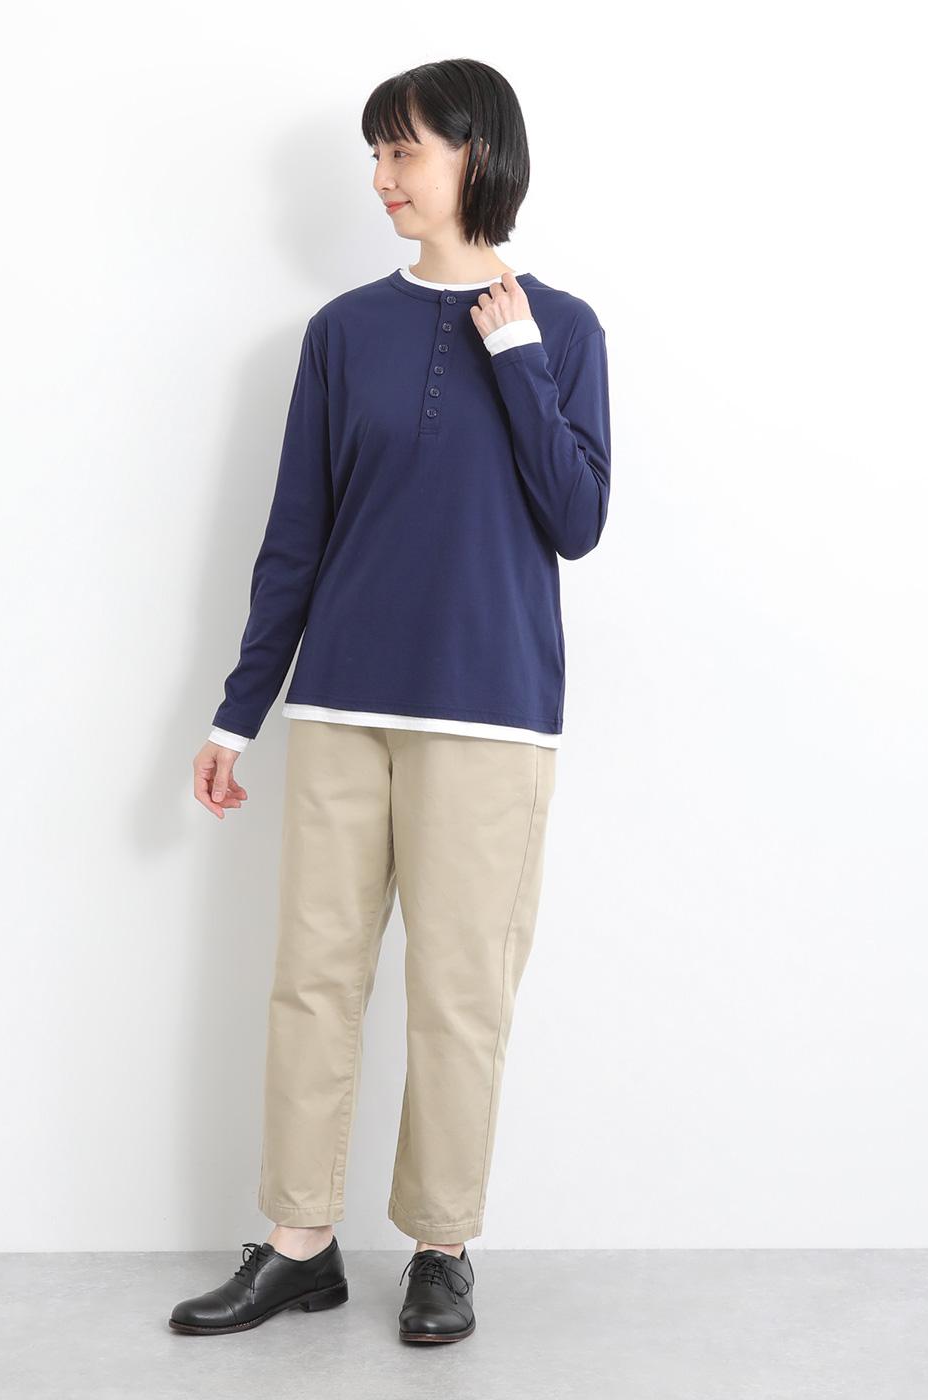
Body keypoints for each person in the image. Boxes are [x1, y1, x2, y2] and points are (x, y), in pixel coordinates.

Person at [170, 57, 610, 1345]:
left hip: (490, 712)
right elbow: (294, 536)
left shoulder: (563, 326)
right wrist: (238, 711)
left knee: (460, 995)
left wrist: (515, 355)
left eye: (403, 151)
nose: (381, 178)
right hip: (343, 705)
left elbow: (578, 518)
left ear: (477, 155)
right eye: (375, 153)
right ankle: (298, 1244)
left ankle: (441, 1247)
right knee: (311, 978)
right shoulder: (342, 332)